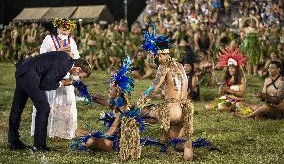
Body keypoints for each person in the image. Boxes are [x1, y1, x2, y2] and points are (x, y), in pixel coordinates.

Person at [8, 51, 91, 151]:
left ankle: (13, 141)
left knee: (17, 108)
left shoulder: (65, 58)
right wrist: (62, 83)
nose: (77, 77)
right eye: (79, 75)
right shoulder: (64, 65)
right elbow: (45, 84)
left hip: (23, 70)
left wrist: (62, 80)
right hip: (30, 75)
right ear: (78, 69)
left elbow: (49, 68)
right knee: (43, 108)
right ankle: (39, 145)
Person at [138, 25, 194, 161]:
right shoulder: (180, 66)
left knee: (142, 113)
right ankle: (187, 146)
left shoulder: (164, 66)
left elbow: (154, 87)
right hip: (184, 111)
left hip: (171, 110)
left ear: (159, 54)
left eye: (155, 56)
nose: (156, 60)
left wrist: (141, 102)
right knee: (174, 141)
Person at [72, 56, 142, 161]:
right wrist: (84, 92)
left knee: (90, 141)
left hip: (117, 143)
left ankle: (91, 141)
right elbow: (100, 100)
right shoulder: (116, 100)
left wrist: (96, 136)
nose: (109, 90)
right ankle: (91, 140)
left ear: (118, 89)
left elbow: (112, 131)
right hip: (110, 136)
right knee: (76, 131)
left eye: (111, 88)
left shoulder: (122, 108)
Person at [31, 18, 80, 140]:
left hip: (65, 74)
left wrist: (72, 56)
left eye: (68, 28)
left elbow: (77, 59)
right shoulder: (49, 39)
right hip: (50, 74)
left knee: (65, 102)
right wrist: (58, 52)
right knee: (50, 101)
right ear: (57, 28)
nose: (65, 30)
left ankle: (63, 131)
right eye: (63, 27)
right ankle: (49, 130)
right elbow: (42, 56)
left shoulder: (71, 41)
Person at [205, 48, 247, 112]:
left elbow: (241, 94)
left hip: (237, 100)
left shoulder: (241, 79)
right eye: (229, 68)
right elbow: (224, 91)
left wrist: (229, 90)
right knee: (207, 106)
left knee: (221, 107)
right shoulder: (228, 78)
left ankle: (232, 107)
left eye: (233, 68)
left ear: (237, 69)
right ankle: (224, 107)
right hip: (226, 98)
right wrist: (222, 90)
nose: (230, 70)